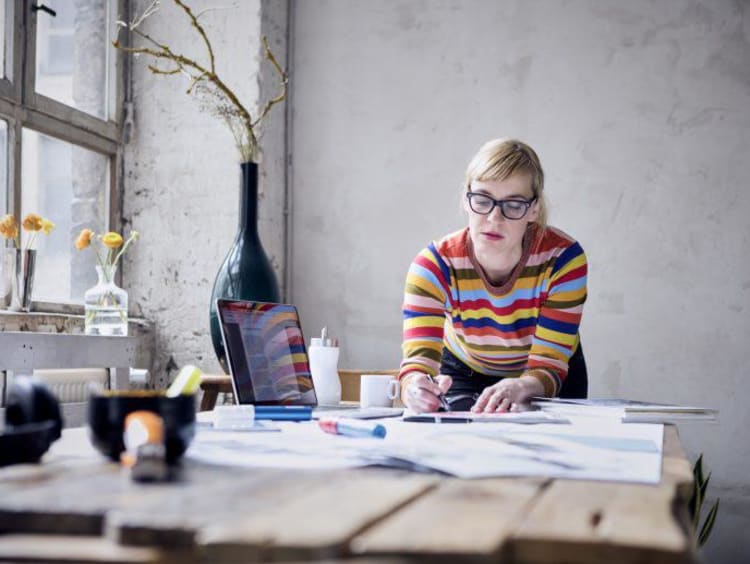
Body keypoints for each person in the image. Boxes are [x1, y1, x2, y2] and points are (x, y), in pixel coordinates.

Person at [398, 138, 588, 414]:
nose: (494, 218)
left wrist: (523, 386)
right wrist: (415, 388)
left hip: (549, 374)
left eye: (513, 204)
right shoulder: (433, 265)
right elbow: (416, 364)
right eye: (483, 199)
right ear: (466, 198)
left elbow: (548, 364)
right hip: (465, 370)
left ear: (534, 209)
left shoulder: (563, 260)